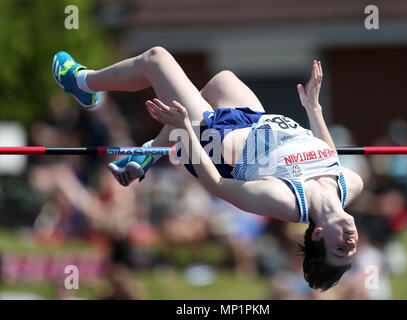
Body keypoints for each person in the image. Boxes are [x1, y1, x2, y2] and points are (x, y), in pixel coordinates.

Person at [52, 46, 363, 291]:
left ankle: (81, 83)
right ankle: (152, 150)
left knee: (156, 59)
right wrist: (314, 108)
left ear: (319, 234)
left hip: (212, 141)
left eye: (339, 249)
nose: (350, 243)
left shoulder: (287, 201)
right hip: (254, 121)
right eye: (351, 249)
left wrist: (186, 129)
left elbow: (215, 184)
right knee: (220, 81)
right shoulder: (351, 183)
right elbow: (330, 156)